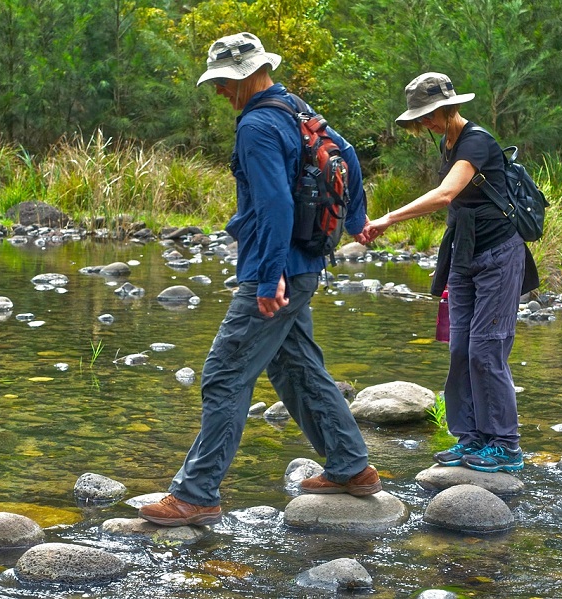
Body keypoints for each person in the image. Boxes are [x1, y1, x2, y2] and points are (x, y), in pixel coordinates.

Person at [138, 32, 380, 527]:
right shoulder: (297, 108)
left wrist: (270, 278)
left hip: (276, 271)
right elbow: (348, 155)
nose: (221, 91)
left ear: (249, 74)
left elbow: (274, 205)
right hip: (307, 264)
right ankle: (352, 467)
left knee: (224, 374)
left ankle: (197, 494)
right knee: (297, 369)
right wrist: (355, 219)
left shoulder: (257, 126)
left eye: (226, 82)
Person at [364, 72, 539, 473]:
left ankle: (506, 446)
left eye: (428, 115)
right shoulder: (447, 141)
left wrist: (388, 218)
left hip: (498, 253)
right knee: (460, 349)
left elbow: (446, 194)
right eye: (419, 118)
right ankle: (471, 438)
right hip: (463, 256)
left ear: (448, 107)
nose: (423, 123)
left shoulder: (477, 140)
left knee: (486, 349)